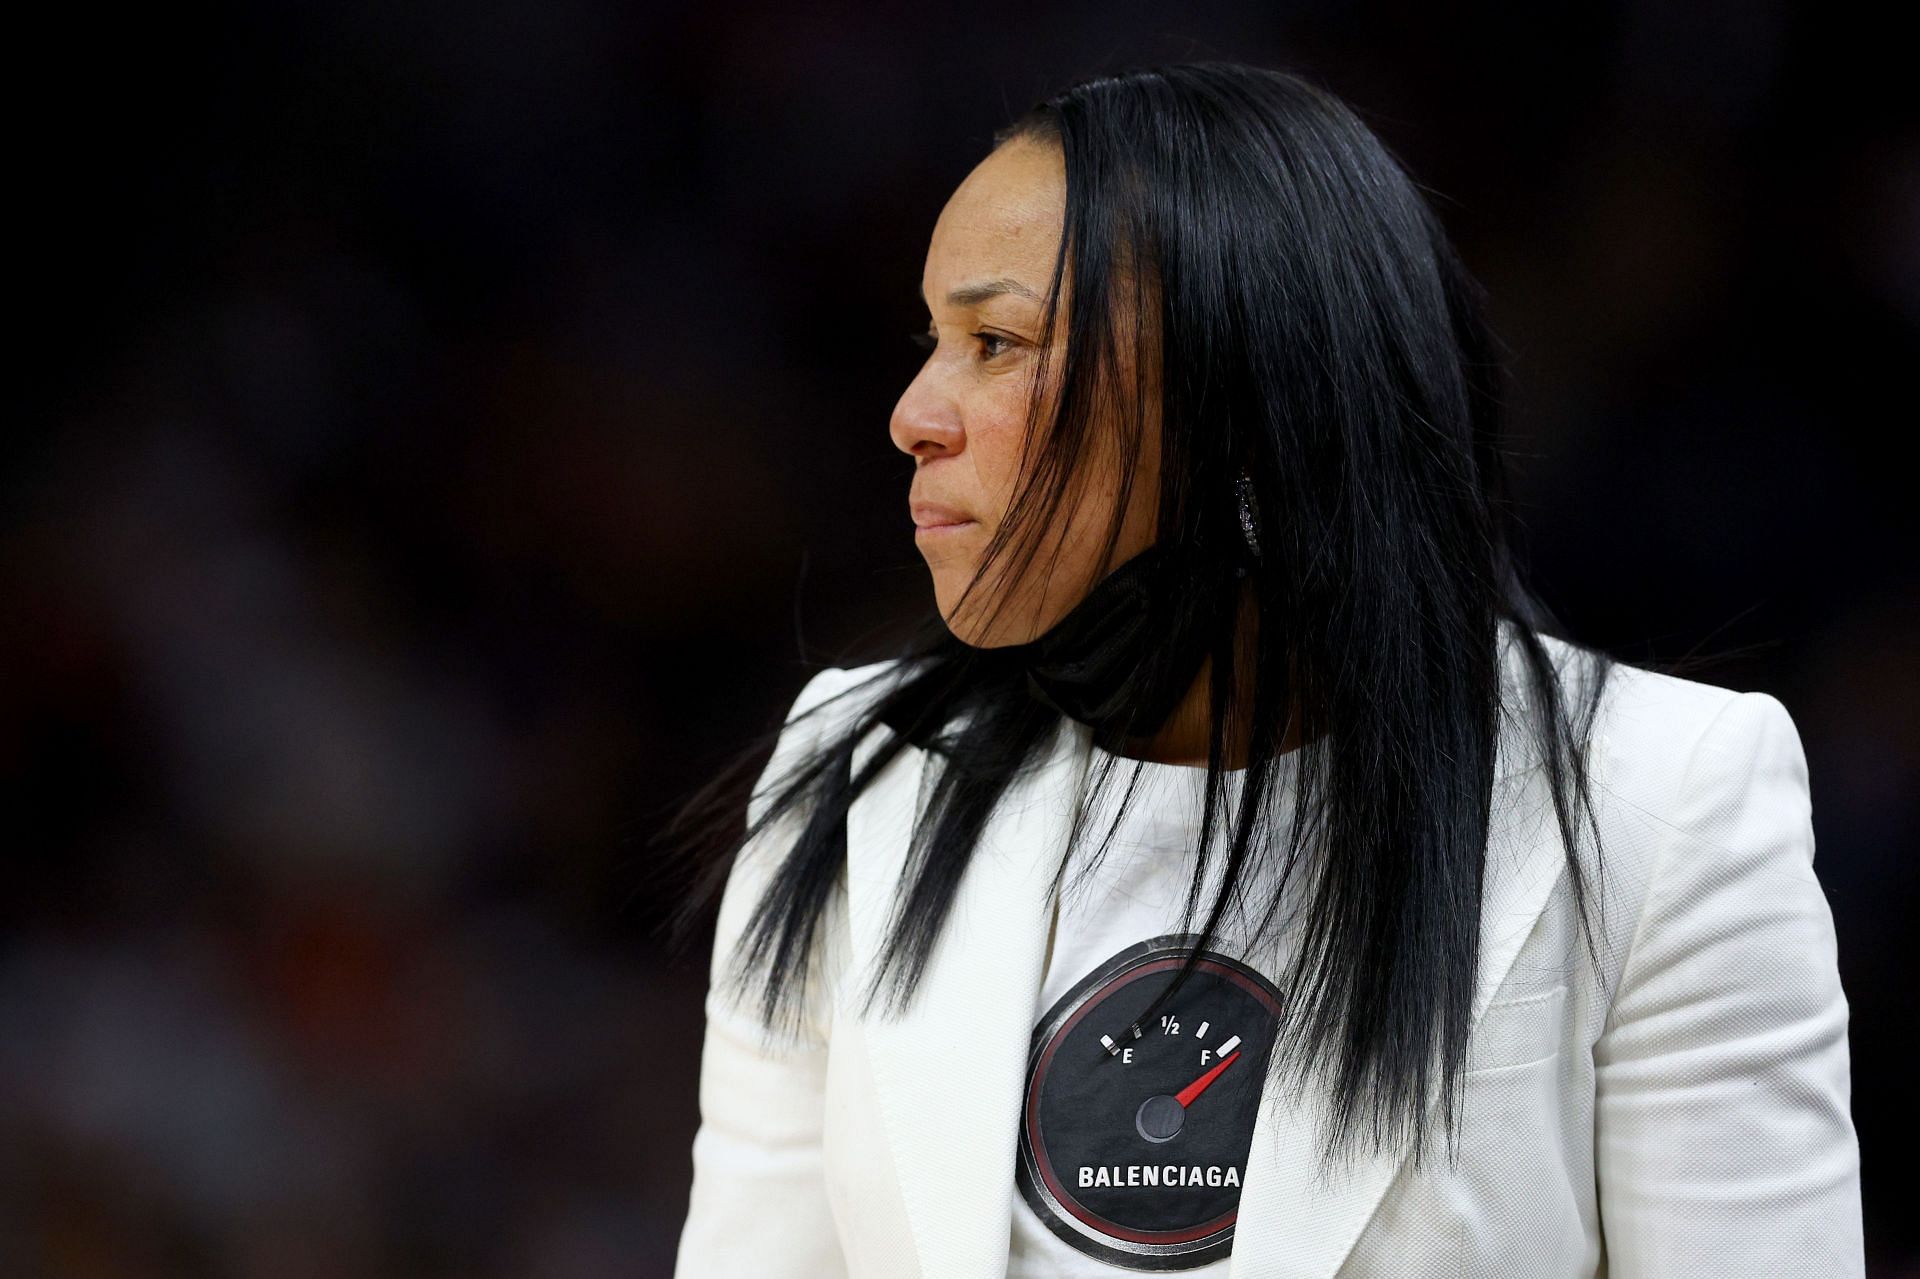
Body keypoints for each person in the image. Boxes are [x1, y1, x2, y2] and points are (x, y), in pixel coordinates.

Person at [660, 61, 1862, 1278]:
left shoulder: (1662, 796)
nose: (915, 411)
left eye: (996, 339)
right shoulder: (855, 772)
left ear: (1238, 401)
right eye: (933, 340)